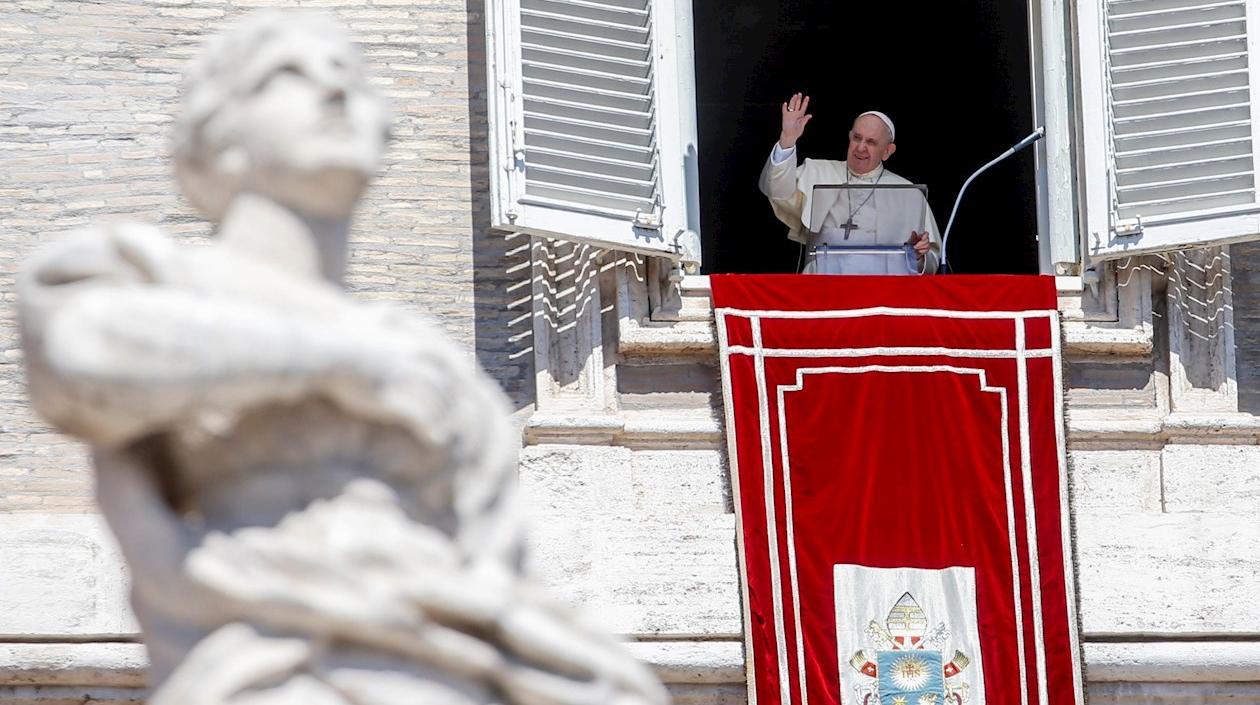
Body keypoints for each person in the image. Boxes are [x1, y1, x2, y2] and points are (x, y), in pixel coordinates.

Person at [19, 11, 666, 705]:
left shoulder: (430, 360)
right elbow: (80, 356)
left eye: (353, 81)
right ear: (220, 136)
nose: (335, 95)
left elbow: (493, 560)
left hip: (447, 657)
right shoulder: (146, 280)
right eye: (290, 75)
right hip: (270, 661)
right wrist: (340, 362)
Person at [758, 94, 941, 275]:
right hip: (822, 286)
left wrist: (918, 256)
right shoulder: (818, 171)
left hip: (883, 294)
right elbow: (776, 191)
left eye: (871, 142)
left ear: (887, 151)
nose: (861, 147)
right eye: (857, 138)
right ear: (849, 137)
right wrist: (787, 140)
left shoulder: (908, 193)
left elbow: (931, 263)